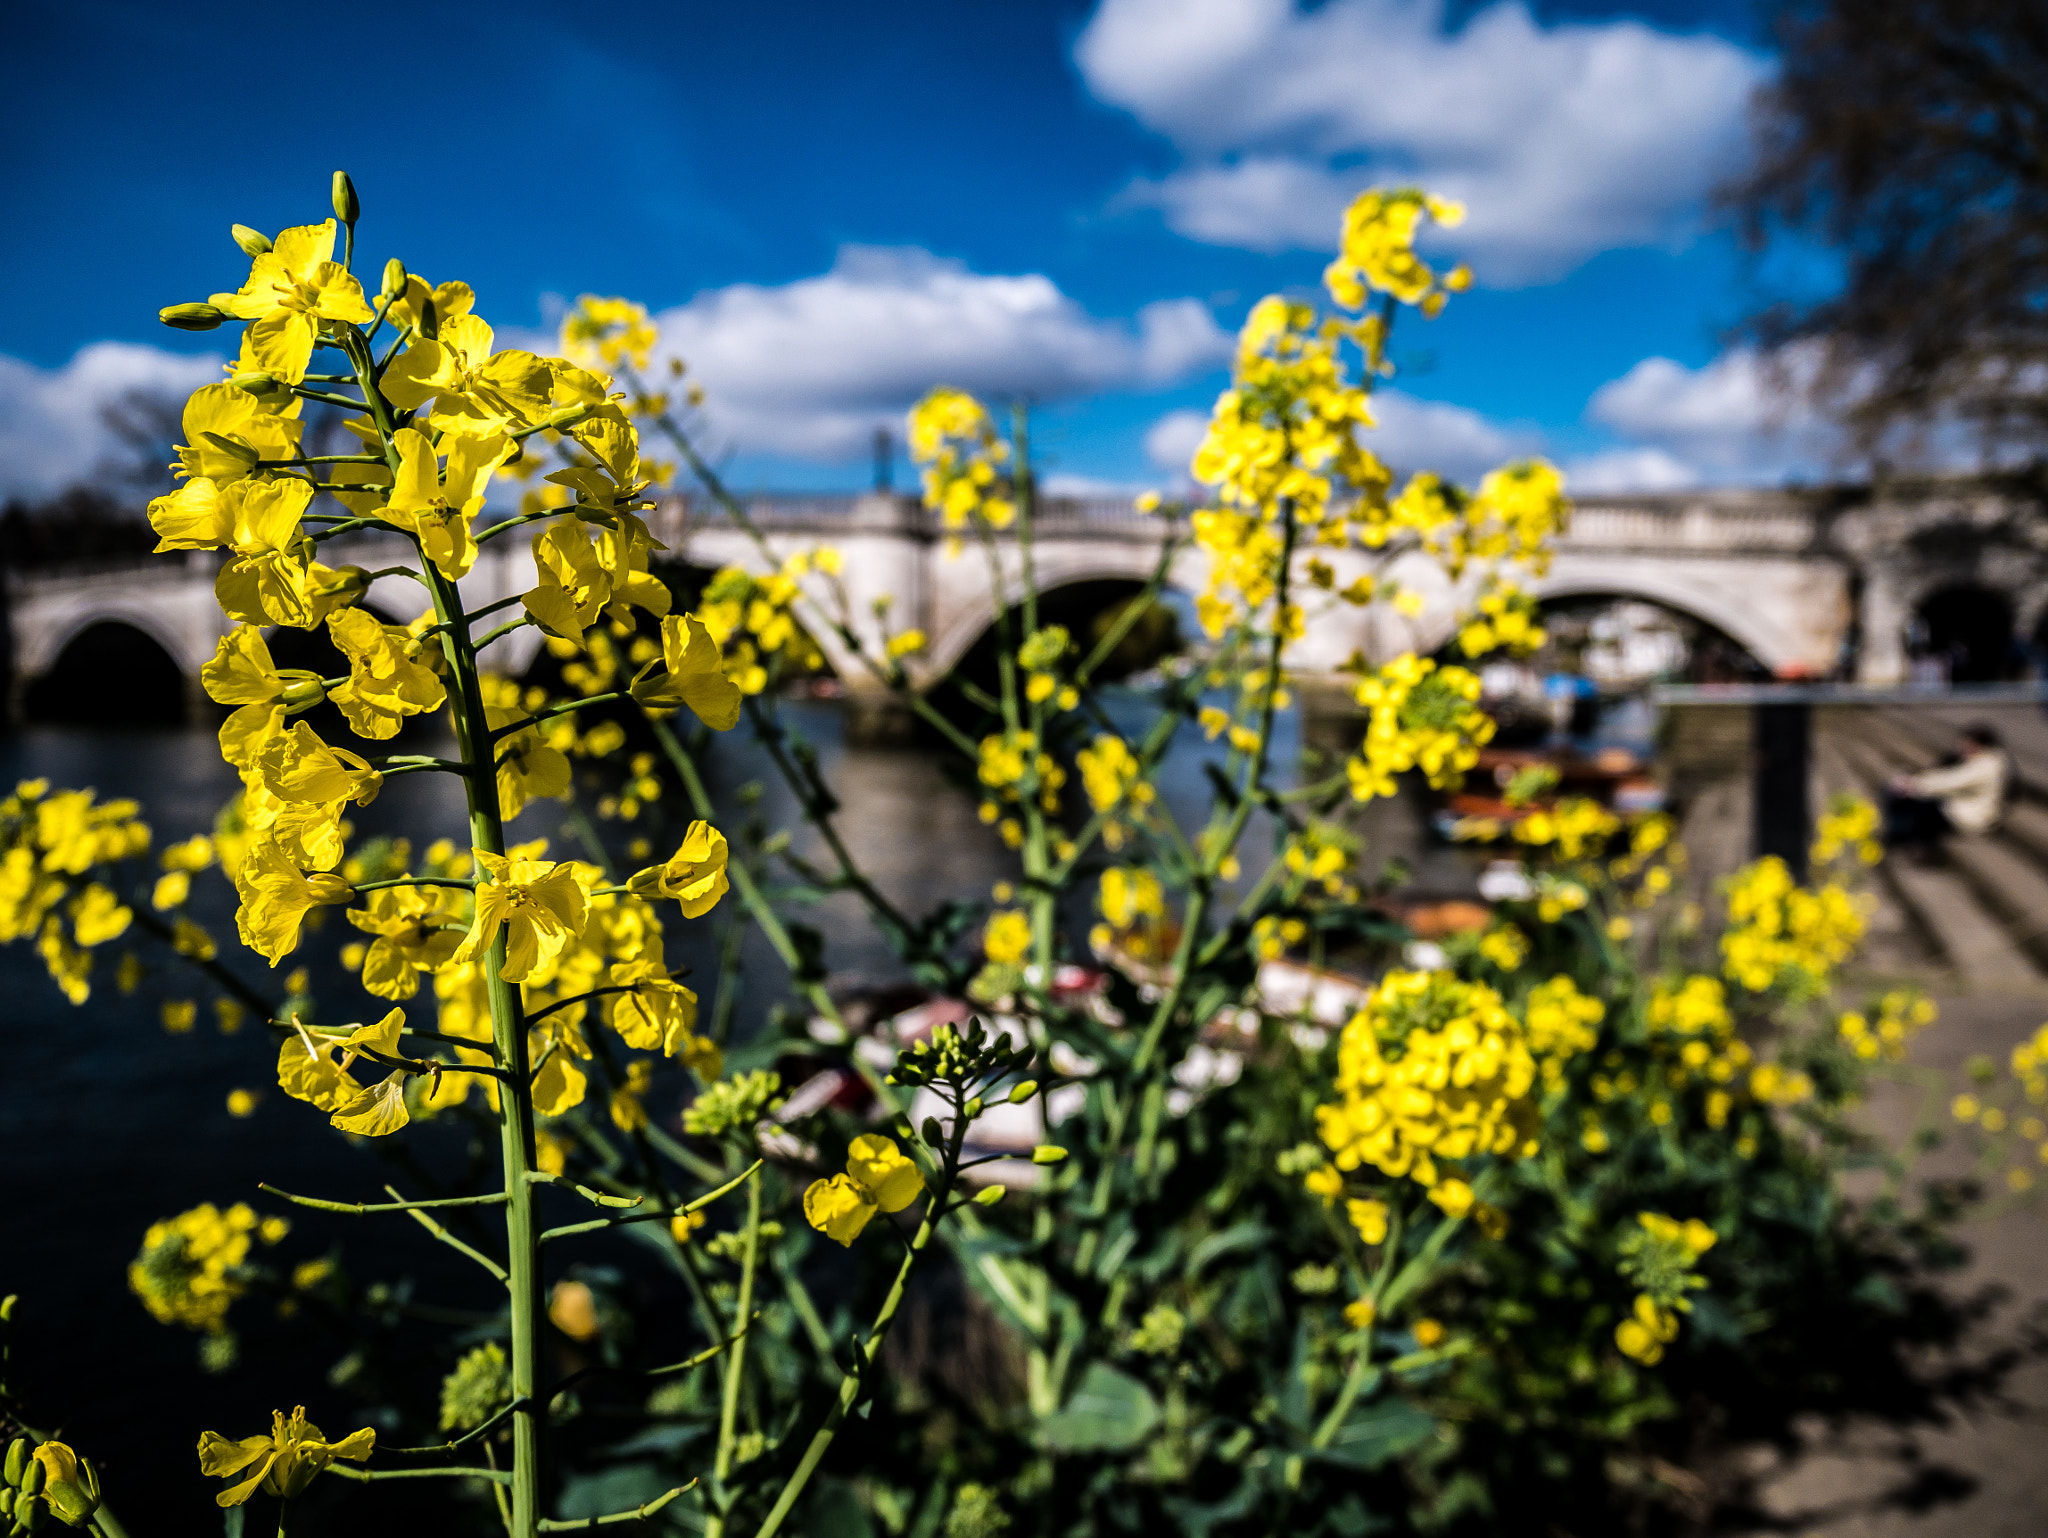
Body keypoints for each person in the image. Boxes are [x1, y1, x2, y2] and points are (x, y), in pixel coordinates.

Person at [1884, 723, 2009, 857]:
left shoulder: (1985, 766)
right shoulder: (1986, 760)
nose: (1961, 746)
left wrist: (1913, 785)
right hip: (1965, 804)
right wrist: (1914, 782)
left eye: (1965, 743)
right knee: (1912, 798)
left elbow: (1953, 781)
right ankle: (1900, 837)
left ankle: (1914, 844)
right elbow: (1947, 777)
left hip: (1973, 815)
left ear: (1976, 744)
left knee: (1922, 803)